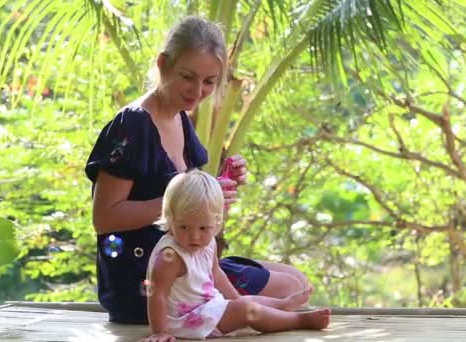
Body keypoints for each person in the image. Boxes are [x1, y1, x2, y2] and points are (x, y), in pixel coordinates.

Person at [85, 16, 310, 324]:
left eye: (209, 82)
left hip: (190, 262)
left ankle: (234, 311)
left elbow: (191, 206)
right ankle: (232, 313)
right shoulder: (131, 125)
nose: (197, 91)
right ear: (163, 64)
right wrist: (180, 203)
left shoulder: (179, 118)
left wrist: (220, 186)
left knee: (297, 279)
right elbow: (104, 218)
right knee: (288, 289)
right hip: (150, 286)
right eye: (187, 77)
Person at [144, 170, 330, 341]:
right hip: (187, 322)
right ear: (170, 219)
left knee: (243, 301)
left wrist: (235, 299)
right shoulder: (170, 257)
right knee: (245, 310)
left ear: (216, 221)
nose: (194, 236)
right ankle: (298, 320)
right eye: (184, 227)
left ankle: (283, 305)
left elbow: (216, 273)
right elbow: (157, 294)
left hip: (206, 307)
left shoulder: (208, 242)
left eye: (203, 228)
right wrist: (160, 332)